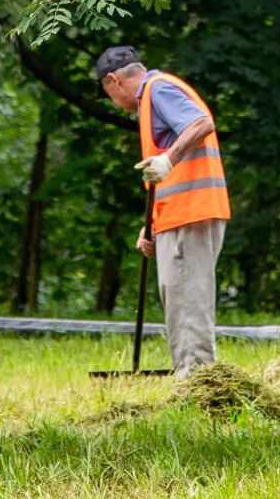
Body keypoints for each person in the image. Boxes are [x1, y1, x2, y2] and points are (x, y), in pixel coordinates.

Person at [95, 45, 230, 372]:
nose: (114, 103)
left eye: (108, 93)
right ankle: (195, 378)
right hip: (181, 215)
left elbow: (201, 123)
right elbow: (169, 171)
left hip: (191, 215)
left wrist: (169, 159)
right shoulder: (155, 96)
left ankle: (197, 384)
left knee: (187, 302)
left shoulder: (158, 89)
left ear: (114, 80)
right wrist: (153, 223)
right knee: (180, 297)